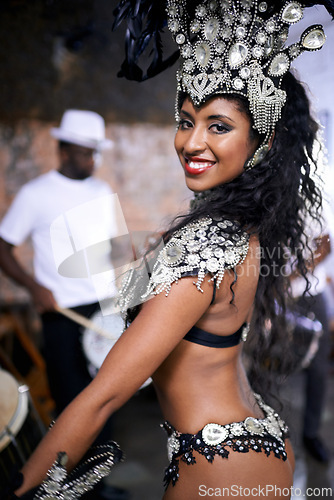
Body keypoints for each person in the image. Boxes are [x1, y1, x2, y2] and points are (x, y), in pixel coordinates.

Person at [8, 1, 333, 498]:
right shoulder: (237, 225)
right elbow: (143, 297)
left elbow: (104, 395)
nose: (190, 142)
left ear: (261, 140)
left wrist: (24, 487)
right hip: (251, 444)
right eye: (186, 120)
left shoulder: (203, 241)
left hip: (218, 466)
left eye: (218, 126)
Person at [0, 110, 130, 499]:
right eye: (83, 151)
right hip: (61, 314)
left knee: (106, 401)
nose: (91, 159)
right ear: (62, 149)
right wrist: (33, 286)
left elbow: (108, 252)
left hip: (103, 312)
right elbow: (3, 247)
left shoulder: (102, 192)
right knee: (72, 407)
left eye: (95, 152)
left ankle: (99, 484)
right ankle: (73, 489)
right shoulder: (35, 194)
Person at [289, 207, 332, 463]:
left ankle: (311, 434)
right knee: (263, 369)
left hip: (309, 297)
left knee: (317, 369)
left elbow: (325, 246)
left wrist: (287, 280)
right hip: (268, 300)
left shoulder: (306, 203)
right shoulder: (255, 201)